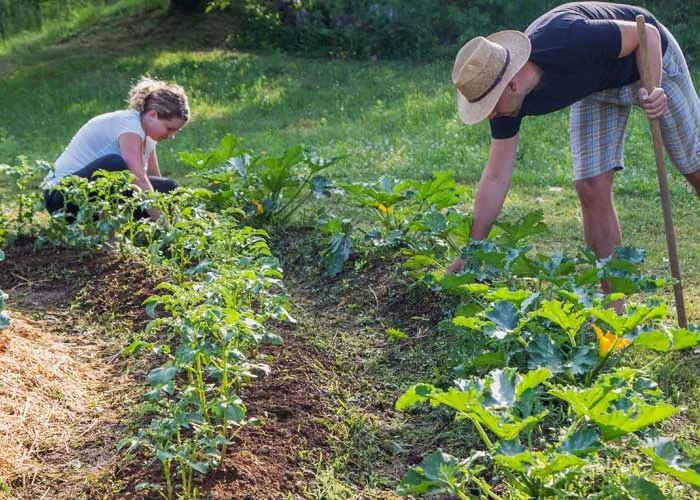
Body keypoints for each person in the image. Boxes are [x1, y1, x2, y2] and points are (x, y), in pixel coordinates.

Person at [448, 2, 700, 296]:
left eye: (489, 107)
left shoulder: (567, 40)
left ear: (512, 86)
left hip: (647, 60)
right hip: (594, 87)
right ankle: (615, 315)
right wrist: (471, 251)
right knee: (590, 186)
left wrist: (653, 88)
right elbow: (496, 176)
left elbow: (648, 35)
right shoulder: (505, 104)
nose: (489, 115)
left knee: (695, 167)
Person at [42, 76, 190, 223]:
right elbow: (139, 178)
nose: (171, 136)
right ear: (152, 115)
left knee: (169, 188)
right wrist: (164, 225)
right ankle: (109, 239)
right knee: (115, 165)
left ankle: (138, 232)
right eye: (169, 129)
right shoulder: (129, 125)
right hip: (61, 198)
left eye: (175, 131)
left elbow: (155, 181)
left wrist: (170, 218)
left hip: (92, 194)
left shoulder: (148, 134)